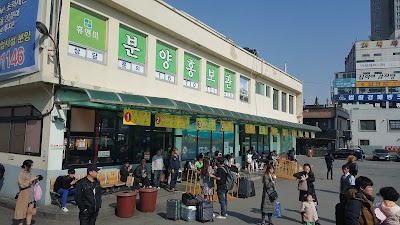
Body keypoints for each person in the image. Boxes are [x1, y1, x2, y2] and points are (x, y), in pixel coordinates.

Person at [14, 159, 40, 225]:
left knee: (30, 212)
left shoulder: (32, 173)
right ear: (26, 166)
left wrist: (36, 179)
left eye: (32, 166)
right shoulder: (22, 175)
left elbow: (33, 182)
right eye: (30, 166)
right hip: (24, 195)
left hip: (31, 195)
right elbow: (22, 185)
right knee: (22, 214)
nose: (31, 167)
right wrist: (31, 180)